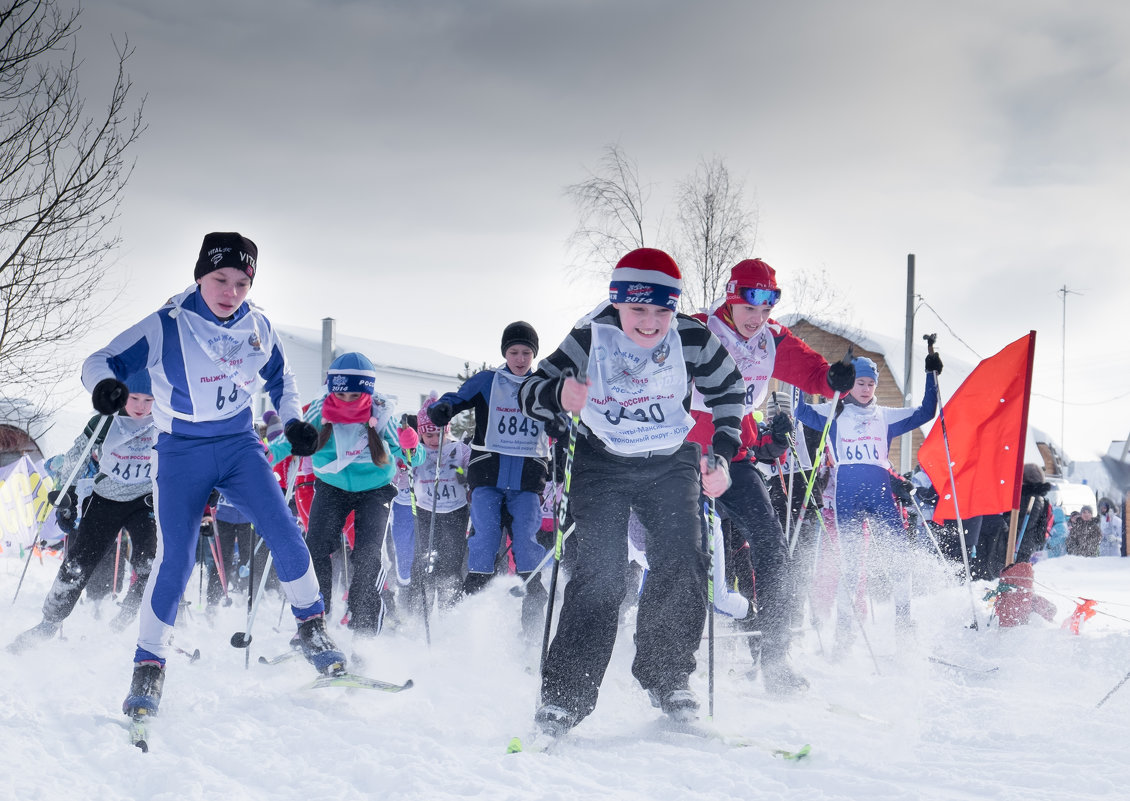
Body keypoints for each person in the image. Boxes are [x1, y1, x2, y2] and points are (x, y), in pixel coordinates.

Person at [81, 232, 347, 720]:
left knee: (285, 530)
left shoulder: (260, 326)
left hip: (239, 445)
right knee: (176, 559)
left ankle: (310, 626)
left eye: (242, 282)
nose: (230, 291)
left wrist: (292, 421)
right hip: (180, 450)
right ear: (201, 275)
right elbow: (99, 360)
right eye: (220, 279)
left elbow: (281, 379)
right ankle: (149, 665)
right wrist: (105, 388)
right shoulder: (167, 324)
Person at [516, 247, 746, 735]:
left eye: (663, 310)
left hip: (670, 460)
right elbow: (530, 389)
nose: (650, 323)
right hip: (602, 462)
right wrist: (558, 394)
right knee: (601, 575)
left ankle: (667, 675)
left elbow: (729, 390)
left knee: (684, 560)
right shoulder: (590, 334)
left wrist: (721, 454)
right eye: (638, 310)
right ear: (617, 303)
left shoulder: (690, 336)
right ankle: (565, 697)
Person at [686, 258, 856, 693]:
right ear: (731, 297)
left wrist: (835, 377)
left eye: (766, 309)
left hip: (734, 456)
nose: (757, 319)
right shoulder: (697, 328)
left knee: (772, 546)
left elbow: (816, 374)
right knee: (682, 560)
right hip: (682, 453)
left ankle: (775, 660)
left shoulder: (771, 339)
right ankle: (670, 668)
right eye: (750, 308)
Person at [268, 352, 421, 637]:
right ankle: (315, 625)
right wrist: (264, 454)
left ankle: (364, 629)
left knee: (367, 556)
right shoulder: (319, 409)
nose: (348, 400)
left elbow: (414, 457)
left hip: (375, 491)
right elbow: (290, 442)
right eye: (342, 394)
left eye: (356, 395)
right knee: (315, 549)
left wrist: (412, 444)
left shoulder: (383, 412)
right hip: (331, 487)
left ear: (368, 392)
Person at [795, 353, 938, 653]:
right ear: (850, 384)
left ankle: (904, 624)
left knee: (900, 555)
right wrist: (809, 378)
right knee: (848, 566)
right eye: (860, 382)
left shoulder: (884, 416)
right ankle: (843, 636)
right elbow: (799, 411)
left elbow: (926, 412)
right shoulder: (834, 412)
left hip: (879, 493)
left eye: (871, 384)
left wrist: (930, 374)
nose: (866, 389)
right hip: (846, 494)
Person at [8, 372, 158, 653]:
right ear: (123, 397)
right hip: (106, 499)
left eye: (148, 400)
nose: (141, 406)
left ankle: (131, 613)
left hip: (144, 501)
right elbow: (76, 458)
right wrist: (69, 496)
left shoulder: (164, 421)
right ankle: (49, 623)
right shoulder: (104, 422)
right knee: (77, 563)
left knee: (149, 561)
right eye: (135, 398)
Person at [426, 322, 552, 602]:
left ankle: (533, 599)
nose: (520, 359)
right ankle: (474, 594)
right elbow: (456, 399)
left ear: (534, 355)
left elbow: (561, 417)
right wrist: (443, 409)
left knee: (526, 538)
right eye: (514, 352)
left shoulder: (542, 386)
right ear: (505, 353)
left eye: (526, 353)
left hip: (526, 480)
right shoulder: (488, 380)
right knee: (485, 535)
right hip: (488, 476)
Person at [409, 395, 471, 613]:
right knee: (424, 560)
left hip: (455, 511)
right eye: (428, 435)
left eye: (438, 434)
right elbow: (403, 477)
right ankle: (418, 610)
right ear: (420, 433)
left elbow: (468, 472)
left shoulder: (459, 449)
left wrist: (463, 474)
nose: (433, 440)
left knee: (451, 561)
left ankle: (450, 610)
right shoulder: (417, 452)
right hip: (426, 511)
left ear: (446, 431)